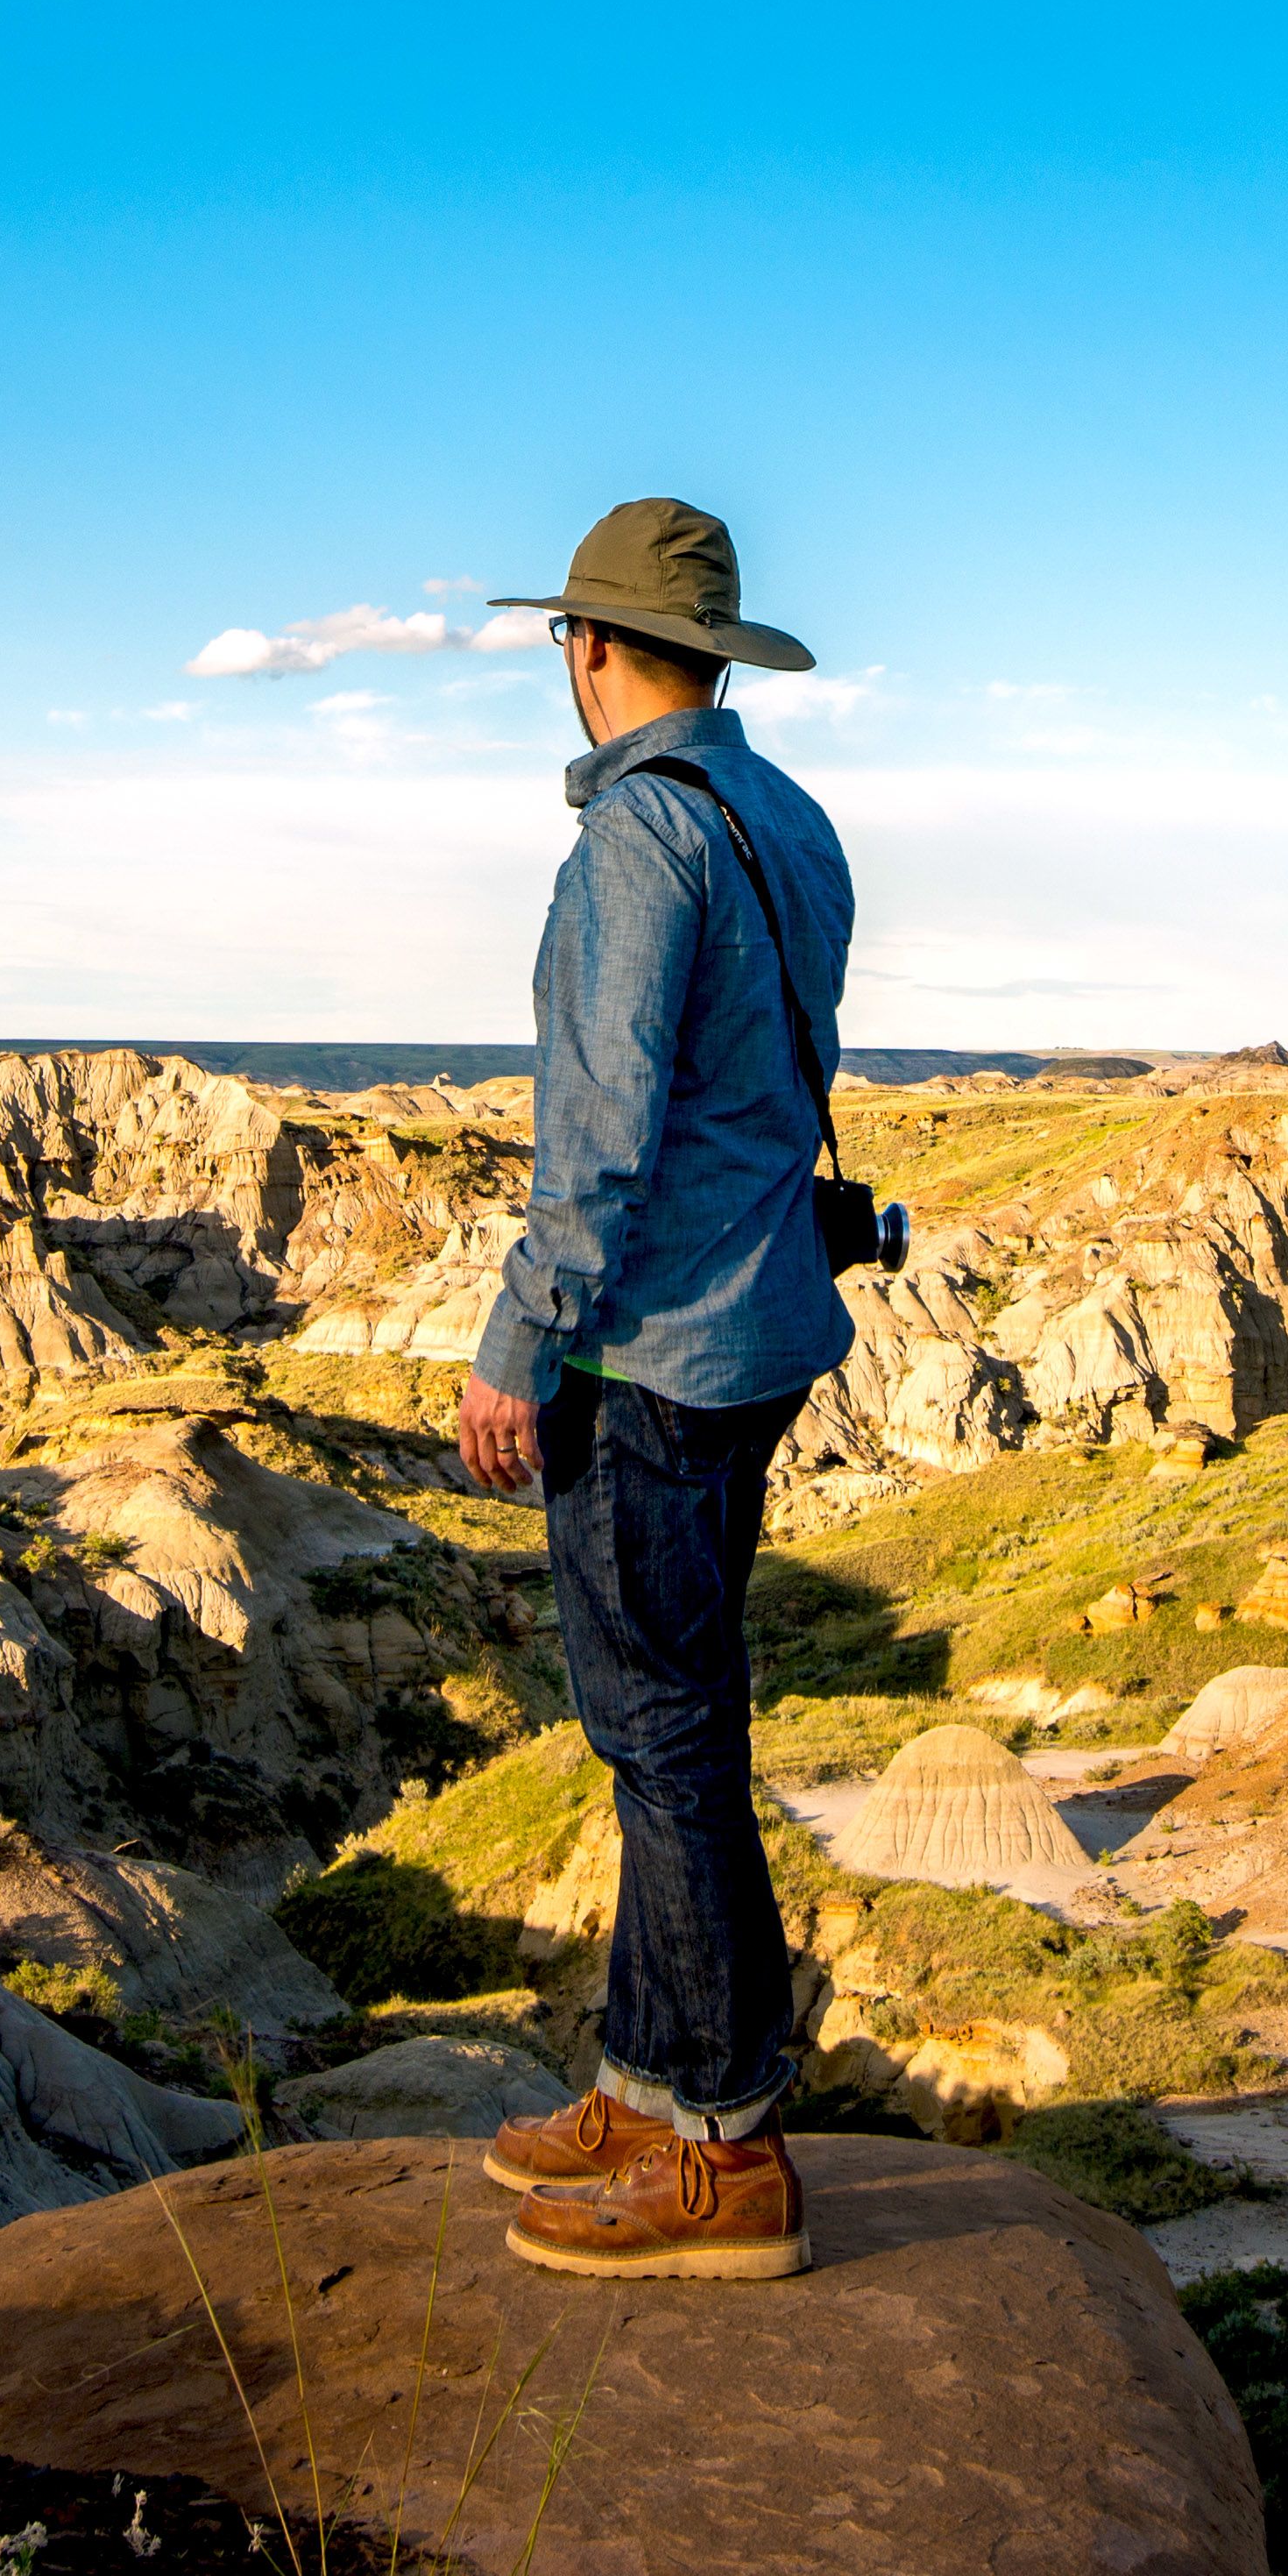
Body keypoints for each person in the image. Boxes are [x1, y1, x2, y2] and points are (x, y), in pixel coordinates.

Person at [451, 495, 859, 2282]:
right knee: (664, 1729)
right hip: (761, 1332)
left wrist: (513, 1344)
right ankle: (642, 2079)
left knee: (666, 1739)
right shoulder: (790, 819)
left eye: (565, 638)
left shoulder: (632, 839)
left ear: (586, 646)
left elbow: (599, 1138)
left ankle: (718, 2153)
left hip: (650, 1355)